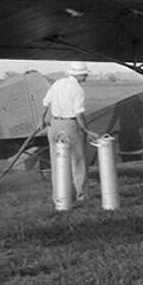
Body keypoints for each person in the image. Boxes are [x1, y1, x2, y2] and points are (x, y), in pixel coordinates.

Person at [43, 61, 99, 202]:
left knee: (57, 163)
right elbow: (79, 114)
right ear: (79, 75)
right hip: (70, 125)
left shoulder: (57, 84)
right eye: (85, 74)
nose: (86, 77)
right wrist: (87, 130)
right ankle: (82, 195)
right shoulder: (78, 90)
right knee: (78, 161)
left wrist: (42, 120)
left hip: (54, 124)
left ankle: (59, 197)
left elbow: (46, 103)